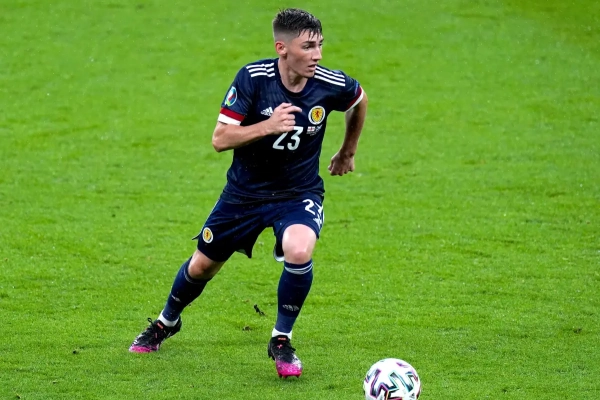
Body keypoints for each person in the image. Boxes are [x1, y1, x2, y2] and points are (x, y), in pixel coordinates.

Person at [129, 8, 368, 379]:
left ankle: (281, 339)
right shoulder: (253, 79)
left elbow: (358, 99)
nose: (318, 55)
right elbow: (220, 139)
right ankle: (166, 322)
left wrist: (348, 150)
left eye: (320, 45)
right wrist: (267, 126)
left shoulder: (328, 83)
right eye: (308, 47)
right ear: (282, 48)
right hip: (244, 195)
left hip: (298, 193)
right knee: (202, 266)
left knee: (299, 249)